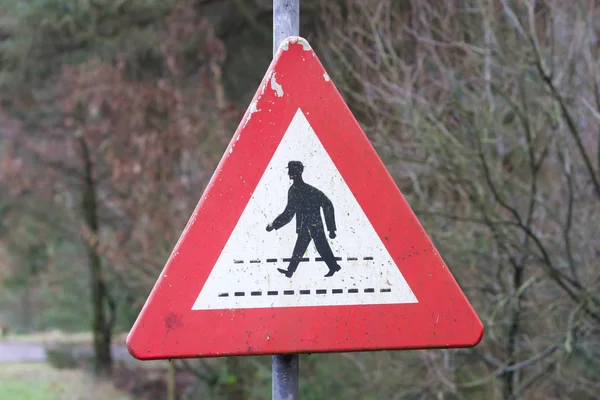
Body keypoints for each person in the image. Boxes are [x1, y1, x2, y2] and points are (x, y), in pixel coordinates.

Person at [266, 161, 342, 278]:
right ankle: (291, 271)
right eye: (290, 171)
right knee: (300, 248)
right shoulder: (294, 190)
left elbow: (327, 204)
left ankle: (333, 267)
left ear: (297, 173)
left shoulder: (307, 190)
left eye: (292, 171)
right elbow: (289, 213)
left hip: (315, 225)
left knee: (321, 247)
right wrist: (274, 225)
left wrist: (331, 229)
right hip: (304, 225)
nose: (290, 174)